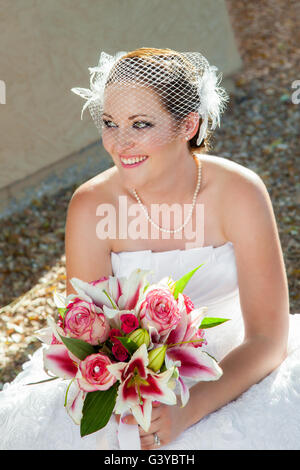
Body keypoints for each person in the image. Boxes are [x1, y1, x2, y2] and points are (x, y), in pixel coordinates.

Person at [1, 47, 300, 451]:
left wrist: (185, 411)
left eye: (140, 124)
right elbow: (85, 332)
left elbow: (267, 338)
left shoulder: (240, 193)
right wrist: (122, 391)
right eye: (110, 123)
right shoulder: (91, 205)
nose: (119, 143)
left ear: (188, 125)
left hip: (235, 368)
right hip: (129, 383)